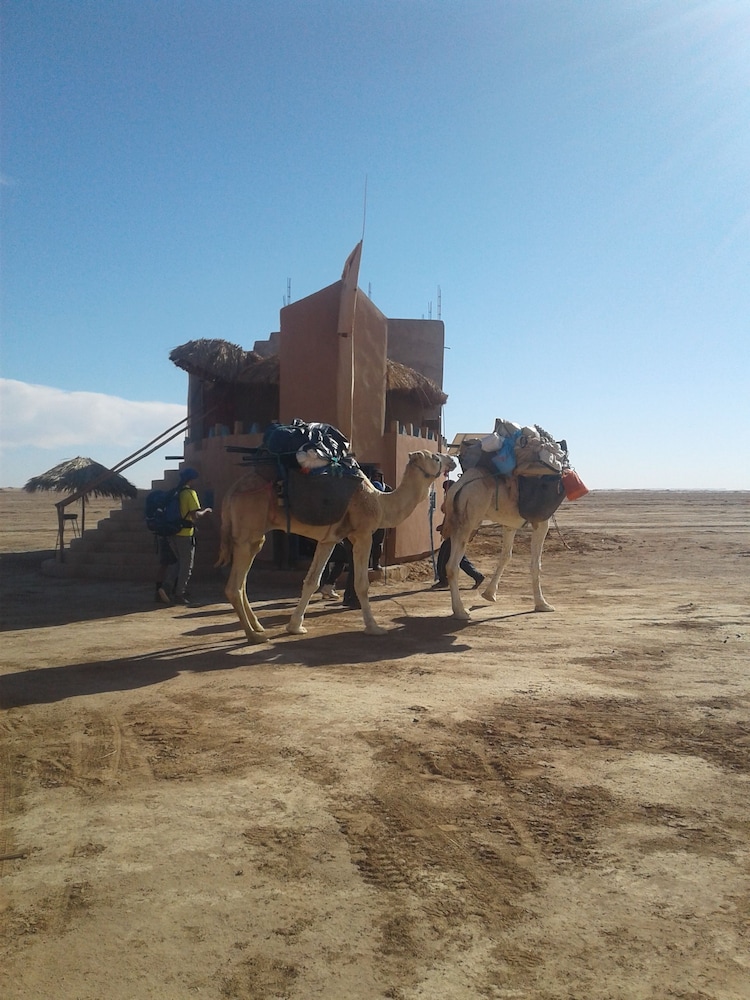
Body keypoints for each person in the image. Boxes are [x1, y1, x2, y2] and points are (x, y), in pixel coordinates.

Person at [164, 468, 212, 606]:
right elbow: (195, 515)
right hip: (185, 534)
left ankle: (166, 588)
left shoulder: (177, 492)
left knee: (177, 563)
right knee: (186, 566)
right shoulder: (190, 493)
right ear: (191, 480)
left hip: (173, 532)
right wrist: (206, 511)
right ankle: (179, 593)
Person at [432, 478, 484, 590]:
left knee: (443, 556)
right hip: (455, 532)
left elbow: (451, 514)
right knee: (458, 557)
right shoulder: (455, 498)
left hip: (456, 532)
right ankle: (477, 576)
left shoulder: (456, 500)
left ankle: (443, 579)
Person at [154, 536, 177, 604]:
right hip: (168, 537)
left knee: (164, 564)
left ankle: (158, 591)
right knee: (174, 564)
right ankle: (163, 590)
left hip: (162, 536)